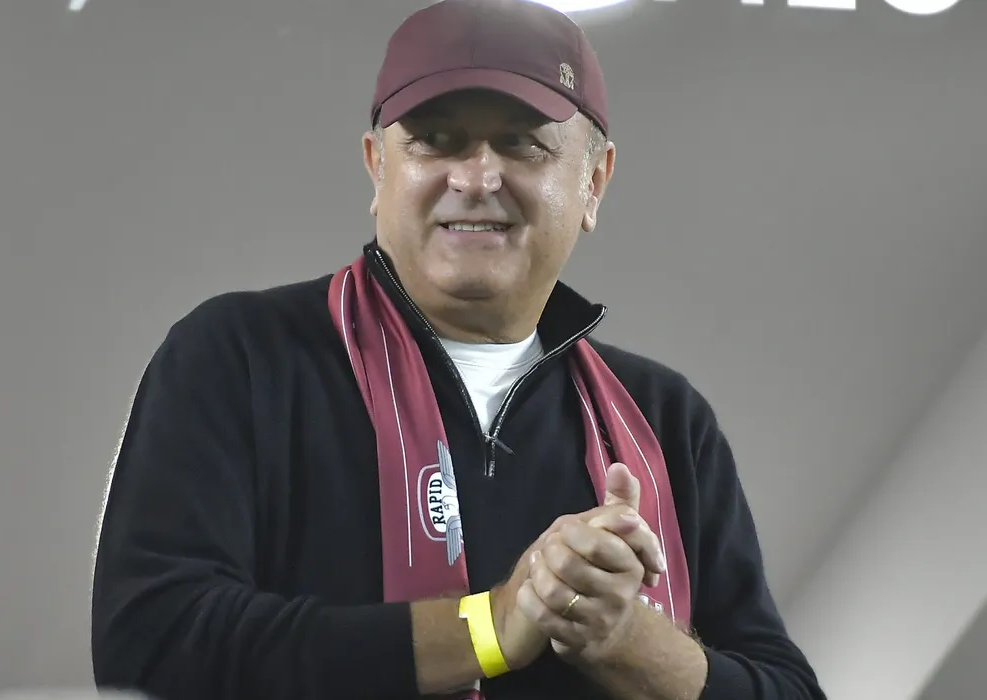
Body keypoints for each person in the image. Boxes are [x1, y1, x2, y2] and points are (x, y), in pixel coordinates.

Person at [90, 0, 826, 698]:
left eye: (522, 143)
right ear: (378, 167)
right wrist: (487, 628)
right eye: (435, 140)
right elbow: (151, 646)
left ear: (593, 182)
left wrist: (628, 640)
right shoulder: (243, 357)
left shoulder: (664, 419)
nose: (475, 178)